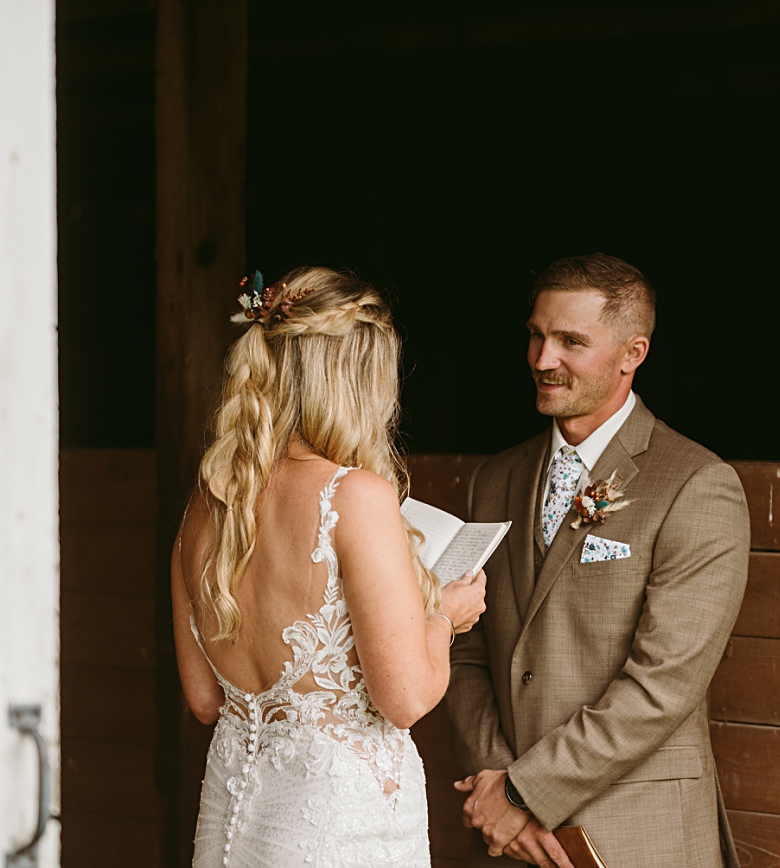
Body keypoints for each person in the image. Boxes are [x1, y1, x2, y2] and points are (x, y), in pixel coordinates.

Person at [171, 266, 487, 867]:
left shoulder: (207, 504)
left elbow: (205, 700)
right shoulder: (353, 496)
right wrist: (444, 616)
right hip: (337, 830)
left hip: (235, 824)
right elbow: (405, 697)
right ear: (355, 382)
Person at [446, 253, 750, 867]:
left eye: (570, 341)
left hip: (637, 834)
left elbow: (662, 684)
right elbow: (463, 648)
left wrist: (525, 789)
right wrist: (498, 783)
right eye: (535, 334)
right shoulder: (494, 479)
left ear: (632, 353)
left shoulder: (696, 484)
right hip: (509, 842)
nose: (541, 360)